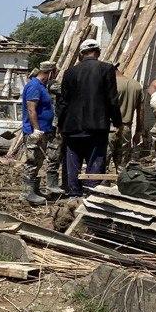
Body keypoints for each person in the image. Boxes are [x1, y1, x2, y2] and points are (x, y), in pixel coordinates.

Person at [57, 38, 120, 197]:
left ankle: (74, 194)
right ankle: (91, 193)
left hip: (72, 127)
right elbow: (112, 99)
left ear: (81, 54)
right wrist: (117, 121)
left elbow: (63, 102)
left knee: (73, 161)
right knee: (95, 160)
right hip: (97, 126)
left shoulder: (69, 72)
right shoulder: (106, 69)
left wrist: (60, 123)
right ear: (98, 52)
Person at [20, 61, 57, 206]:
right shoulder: (34, 86)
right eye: (54, 73)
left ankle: (33, 190)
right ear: (50, 72)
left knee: (37, 162)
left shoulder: (41, 86)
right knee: (32, 162)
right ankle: (27, 193)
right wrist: (36, 129)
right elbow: (31, 109)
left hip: (43, 131)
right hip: (35, 132)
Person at [113, 68, 146, 167]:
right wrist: (138, 131)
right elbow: (141, 111)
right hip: (126, 128)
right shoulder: (136, 85)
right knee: (122, 164)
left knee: (104, 162)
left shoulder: (110, 84)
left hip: (110, 127)